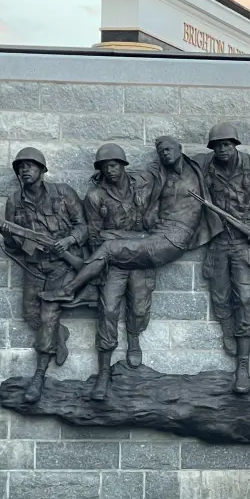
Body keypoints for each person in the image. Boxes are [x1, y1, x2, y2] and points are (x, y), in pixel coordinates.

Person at [40, 136, 223, 305]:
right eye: (161, 152)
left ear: (180, 148)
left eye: (168, 149)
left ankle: (69, 290)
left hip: (173, 239)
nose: (165, 154)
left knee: (108, 247)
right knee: (105, 236)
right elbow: (133, 177)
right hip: (155, 235)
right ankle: (88, 283)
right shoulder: (158, 171)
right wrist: (105, 178)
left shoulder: (199, 164)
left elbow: (223, 152)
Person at [193, 122, 250, 395]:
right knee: (220, 296)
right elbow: (179, 166)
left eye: (227, 145)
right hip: (220, 239)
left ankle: (243, 366)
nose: (222, 149)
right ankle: (226, 326)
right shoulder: (205, 167)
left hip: (246, 242)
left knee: (245, 300)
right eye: (218, 146)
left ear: (235, 145)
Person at [0, 147, 90, 403]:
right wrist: (6, 233)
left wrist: (68, 241)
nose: (25, 170)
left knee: (48, 316)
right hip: (34, 267)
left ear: (42, 169)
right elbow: (15, 246)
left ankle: (38, 376)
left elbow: (85, 226)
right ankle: (58, 334)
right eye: (20, 167)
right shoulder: (14, 202)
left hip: (62, 266)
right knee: (32, 316)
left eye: (30, 165)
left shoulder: (63, 193)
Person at [83, 143, 157, 400]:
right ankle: (104, 372)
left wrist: (118, 237)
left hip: (140, 260)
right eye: (105, 166)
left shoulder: (142, 187)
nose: (109, 170)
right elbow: (95, 236)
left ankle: (134, 339)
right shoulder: (95, 197)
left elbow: (154, 225)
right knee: (108, 311)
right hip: (113, 263)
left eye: (113, 165)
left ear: (123, 166)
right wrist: (125, 238)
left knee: (139, 307)